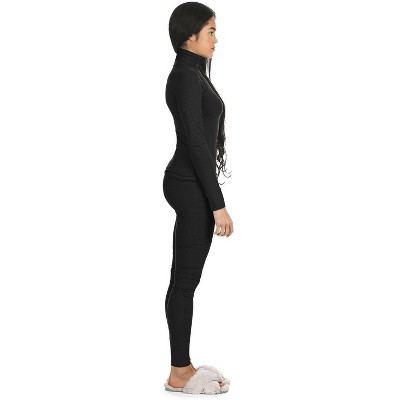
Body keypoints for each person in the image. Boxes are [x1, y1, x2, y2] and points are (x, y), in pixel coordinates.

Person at [162, 2, 234, 392]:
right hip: (188, 183)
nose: (216, 39)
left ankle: (183, 365)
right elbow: (196, 144)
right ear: (189, 36)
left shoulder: (193, 72)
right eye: (210, 31)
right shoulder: (185, 76)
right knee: (185, 280)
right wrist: (217, 204)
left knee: (184, 279)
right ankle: (179, 371)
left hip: (190, 181)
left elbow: (202, 140)